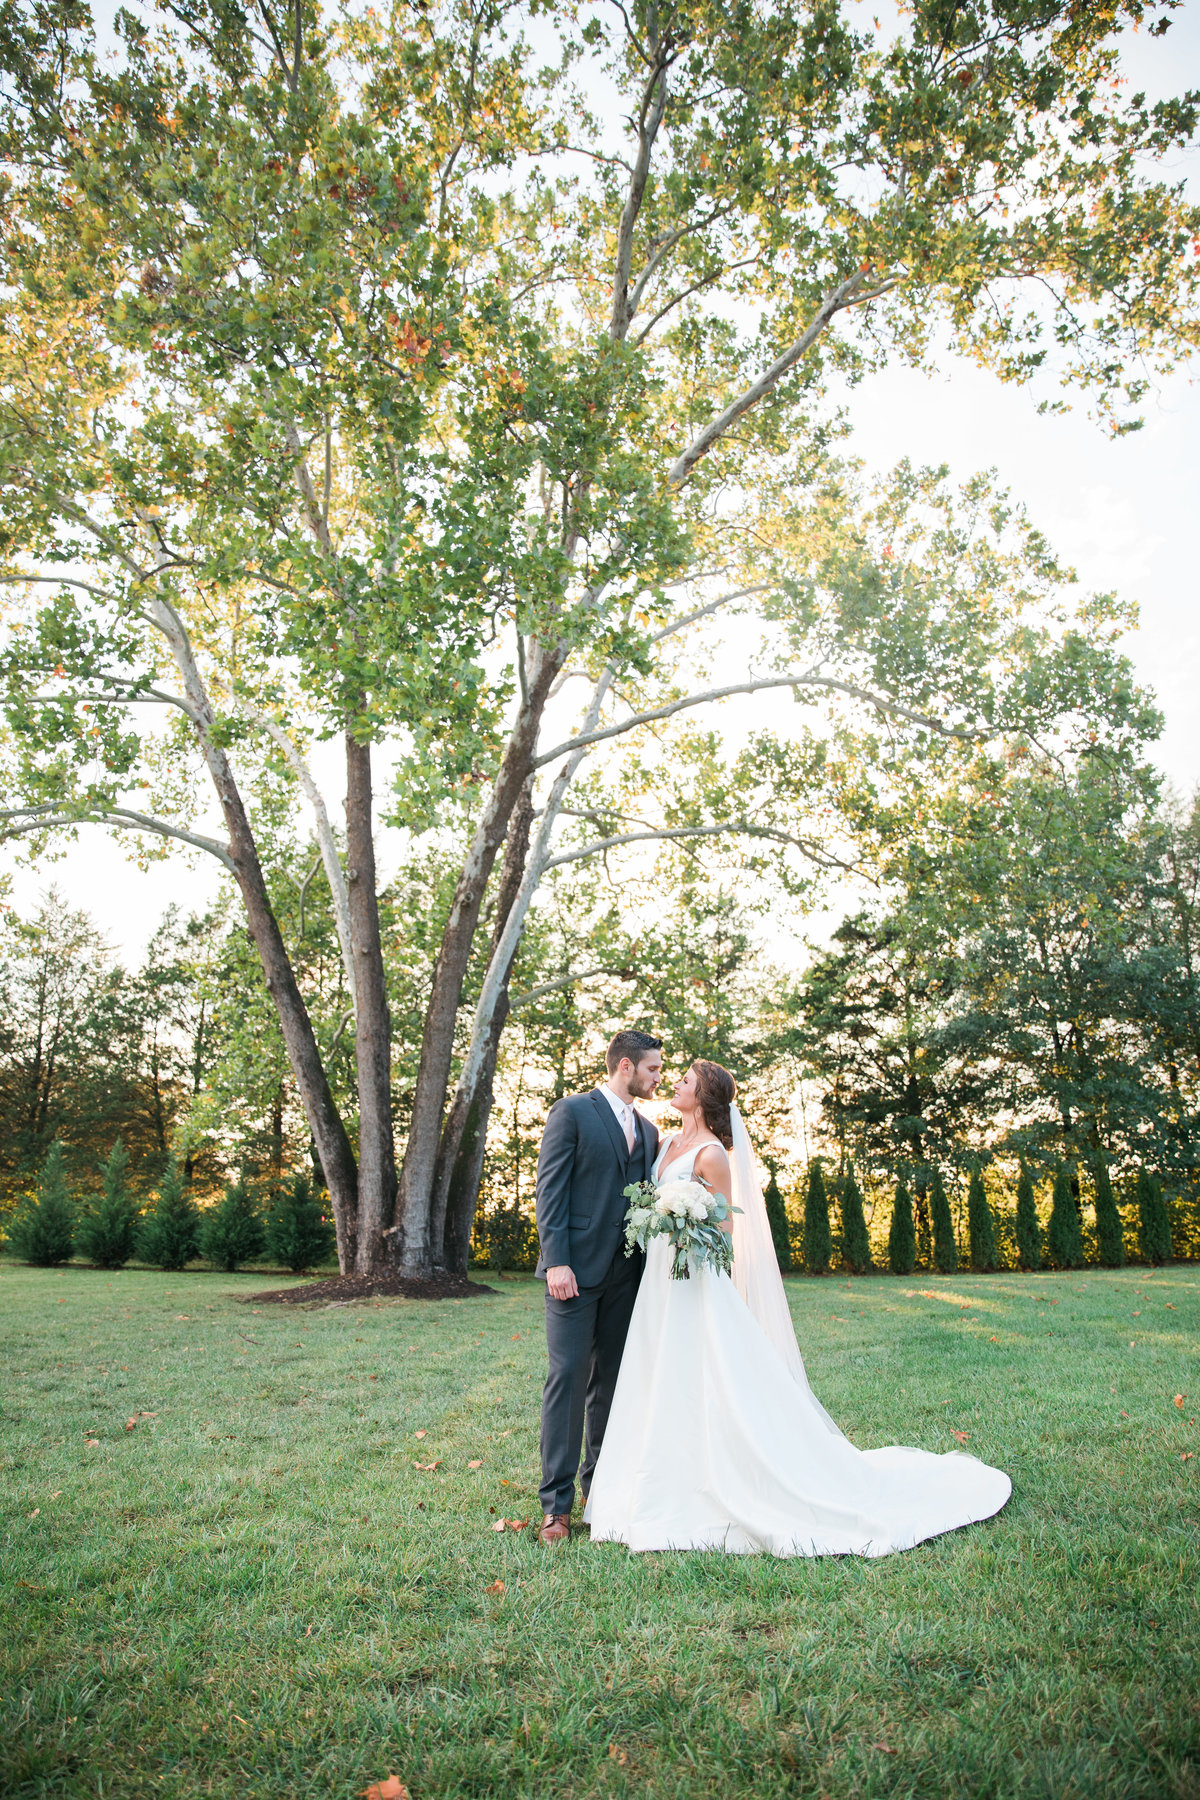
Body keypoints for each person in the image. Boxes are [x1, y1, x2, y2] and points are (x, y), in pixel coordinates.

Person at [584, 1058, 1012, 1556]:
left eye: (685, 1081)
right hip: (658, 1281)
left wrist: (686, 1227)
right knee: (659, 1371)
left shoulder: (712, 1154)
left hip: (694, 1279)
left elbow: (724, 1229)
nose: (674, 1084)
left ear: (703, 1097)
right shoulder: (663, 1144)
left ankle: (720, 1479)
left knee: (703, 1372)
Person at [533, 1028, 662, 1544]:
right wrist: (557, 1261)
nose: (659, 1077)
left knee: (610, 1384)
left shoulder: (651, 1132)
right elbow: (551, 1188)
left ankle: (599, 1492)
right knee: (567, 1379)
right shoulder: (573, 1111)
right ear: (625, 1067)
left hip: (626, 1278)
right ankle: (556, 1507)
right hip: (574, 1274)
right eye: (653, 1068)